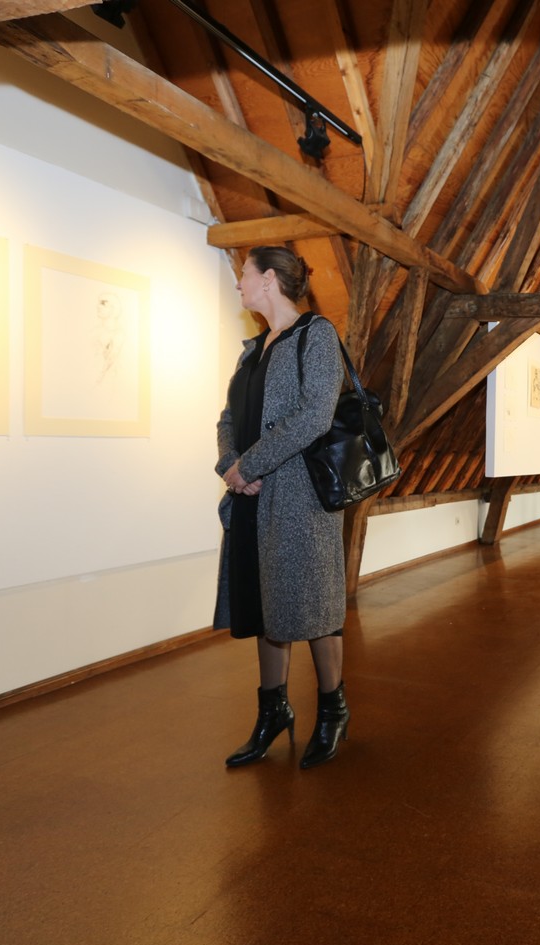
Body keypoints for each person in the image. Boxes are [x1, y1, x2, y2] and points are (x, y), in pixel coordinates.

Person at [214, 245, 350, 770]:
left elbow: (315, 415)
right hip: (251, 497)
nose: (238, 283)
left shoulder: (316, 335)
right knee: (264, 604)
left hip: (300, 499)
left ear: (269, 279)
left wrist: (250, 466)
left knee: (314, 606)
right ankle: (273, 712)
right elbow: (228, 418)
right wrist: (231, 465)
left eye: (244, 274)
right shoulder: (252, 350)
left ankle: (333, 710)